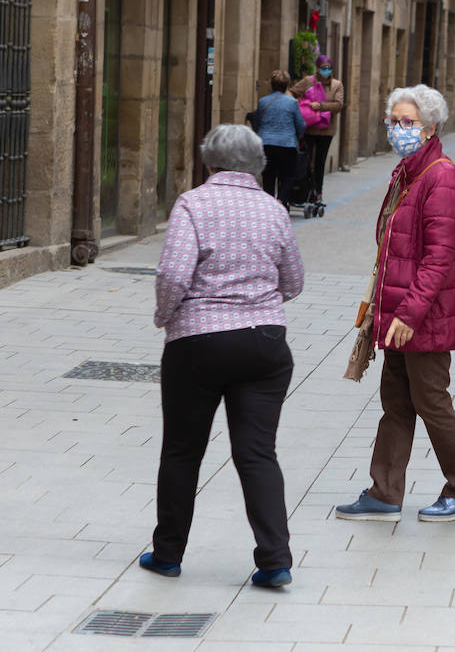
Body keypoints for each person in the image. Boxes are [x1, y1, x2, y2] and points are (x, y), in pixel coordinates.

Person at [143, 124, 305, 589]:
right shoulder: (274, 209)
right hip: (265, 344)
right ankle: (275, 560)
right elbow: (293, 281)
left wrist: (165, 316)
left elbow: (173, 274)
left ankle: (168, 553)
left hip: (198, 343)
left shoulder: (193, 204)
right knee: (257, 454)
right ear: (258, 165)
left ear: (208, 162)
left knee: (182, 450)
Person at [335, 85, 455, 524]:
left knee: (431, 400)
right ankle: (384, 493)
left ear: (430, 127)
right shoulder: (408, 173)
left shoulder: (441, 177)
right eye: (393, 122)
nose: (398, 130)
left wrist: (408, 313)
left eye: (407, 123)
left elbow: (439, 258)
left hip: (425, 316)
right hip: (402, 312)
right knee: (396, 401)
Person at [290, 55, 344, 204]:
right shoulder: (308, 81)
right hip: (310, 129)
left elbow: (339, 105)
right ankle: (306, 191)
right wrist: (298, 106)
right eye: (323, 67)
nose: (326, 70)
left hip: (327, 131)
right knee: (306, 162)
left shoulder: (337, 85)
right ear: (317, 67)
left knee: (320, 163)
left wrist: (320, 106)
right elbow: (292, 92)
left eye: (328, 67)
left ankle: (318, 193)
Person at [255, 70, 306, 207]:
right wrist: (296, 137)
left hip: (266, 144)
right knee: (288, 176)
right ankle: (281, 200)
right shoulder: (292, 103)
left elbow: (258, 122)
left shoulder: (263, 102)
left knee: (268, 176)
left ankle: (270, 203)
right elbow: (300, 124)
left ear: (271, 85)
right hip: (287, 145)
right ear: (287, 85)